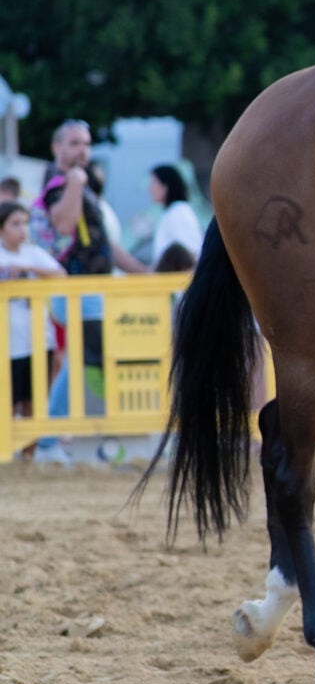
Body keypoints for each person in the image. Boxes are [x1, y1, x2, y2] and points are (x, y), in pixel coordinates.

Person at [30, 121, 148, 462]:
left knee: (84, 360)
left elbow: (104, 244)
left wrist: (142, 272)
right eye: (74, 143)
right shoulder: (62, 183)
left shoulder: (81, 186)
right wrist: (76, 185)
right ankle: (53, 443)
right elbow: (63, 226)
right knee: (88, 359)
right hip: (77, 289)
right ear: (57, 148)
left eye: (86, 143)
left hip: (91, 289)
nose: (83, 149)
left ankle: (53, 443)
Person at [1, 200, 66, 449]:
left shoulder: (33, 254)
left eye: (25, 223)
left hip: (37, 339)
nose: (22, 229)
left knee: (34, 401)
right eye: (15, 224)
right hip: (7, 342)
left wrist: (29, 268)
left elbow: (61, 274)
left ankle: (29, 455)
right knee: (7, 401)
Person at [147, 164, 204, 268]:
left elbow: (190, 253)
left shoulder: (179, 212)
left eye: (153, 183)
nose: (150, 189)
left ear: (165, 187)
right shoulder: (172, 212)